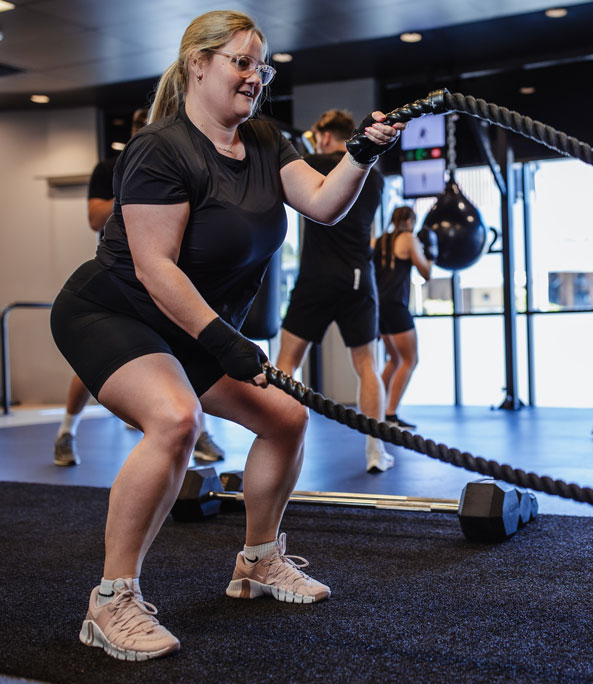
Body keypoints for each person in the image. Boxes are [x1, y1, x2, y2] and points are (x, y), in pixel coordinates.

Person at [49, 10, 401, 661]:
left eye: (261, 66)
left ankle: (258, 561)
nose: (255, 77)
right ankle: (110, 602)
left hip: (187, 325)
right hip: (114, 311)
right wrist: (225, 339)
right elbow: (155, 268)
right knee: (176, 419)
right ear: (198, 66)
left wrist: (362, 154)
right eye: (242, 62)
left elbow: (324, 203)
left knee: (285, 419)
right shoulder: (162, 149)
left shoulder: (267, 141)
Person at [53, 108, 226, 467]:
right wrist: (145, 192)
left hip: (164, 273)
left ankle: (200, 431)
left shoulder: (182, 161)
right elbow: (93, 217)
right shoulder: (111, 168)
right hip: (119, 276)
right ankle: (67, 432)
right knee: (98, 359)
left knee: (182, 351)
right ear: (138, 132)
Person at [275, 109, 395, 473]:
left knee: (286, 362)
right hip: (358, 277)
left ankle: (279, 441)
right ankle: (376, 449)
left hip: (316, 276)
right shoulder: (374, 178)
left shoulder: (309, 164)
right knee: (367, 366)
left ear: (327, 136)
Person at [371, 206, 435, 428]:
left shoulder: (377, 241)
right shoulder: (408, 239)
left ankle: (375, 409)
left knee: (395, 359)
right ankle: (390, 415)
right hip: (396, 307)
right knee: (410, 360)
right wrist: (432, 254)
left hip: (379, 308)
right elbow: (425, 273)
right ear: (409, 221)